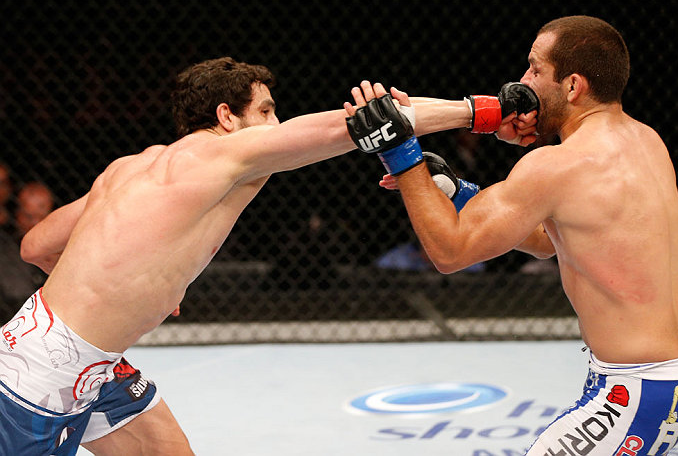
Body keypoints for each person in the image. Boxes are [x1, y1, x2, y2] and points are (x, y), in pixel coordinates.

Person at [2, 57, 531, 455]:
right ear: (226, 116)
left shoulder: (129, 167)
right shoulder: (224, 153)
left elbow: (38, 246)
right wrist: (488, 110)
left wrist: (129, 286)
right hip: (42, 378)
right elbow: (364, 124)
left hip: (73, 353)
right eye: (268, 111)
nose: (277, 126)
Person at [347, 16, 678, 455]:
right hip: (674, 369)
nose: (522, 81)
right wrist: (458, 192)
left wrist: (401, 152)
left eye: (534, 69)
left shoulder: (558, 165)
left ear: (572, 86)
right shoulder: (646, 141)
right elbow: (555, 241)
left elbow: (450, 253)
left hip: (640, 386)